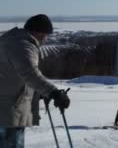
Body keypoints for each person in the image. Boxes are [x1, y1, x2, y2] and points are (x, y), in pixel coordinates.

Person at [0, 14, 70, 147]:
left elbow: (13, 75)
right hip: (8, 111)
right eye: (46, 35)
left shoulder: (10, 40)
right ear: (41, 33)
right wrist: (53, 92)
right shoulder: (24, 46)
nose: (46, 39)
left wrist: (38, 92)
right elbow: (30, 74)